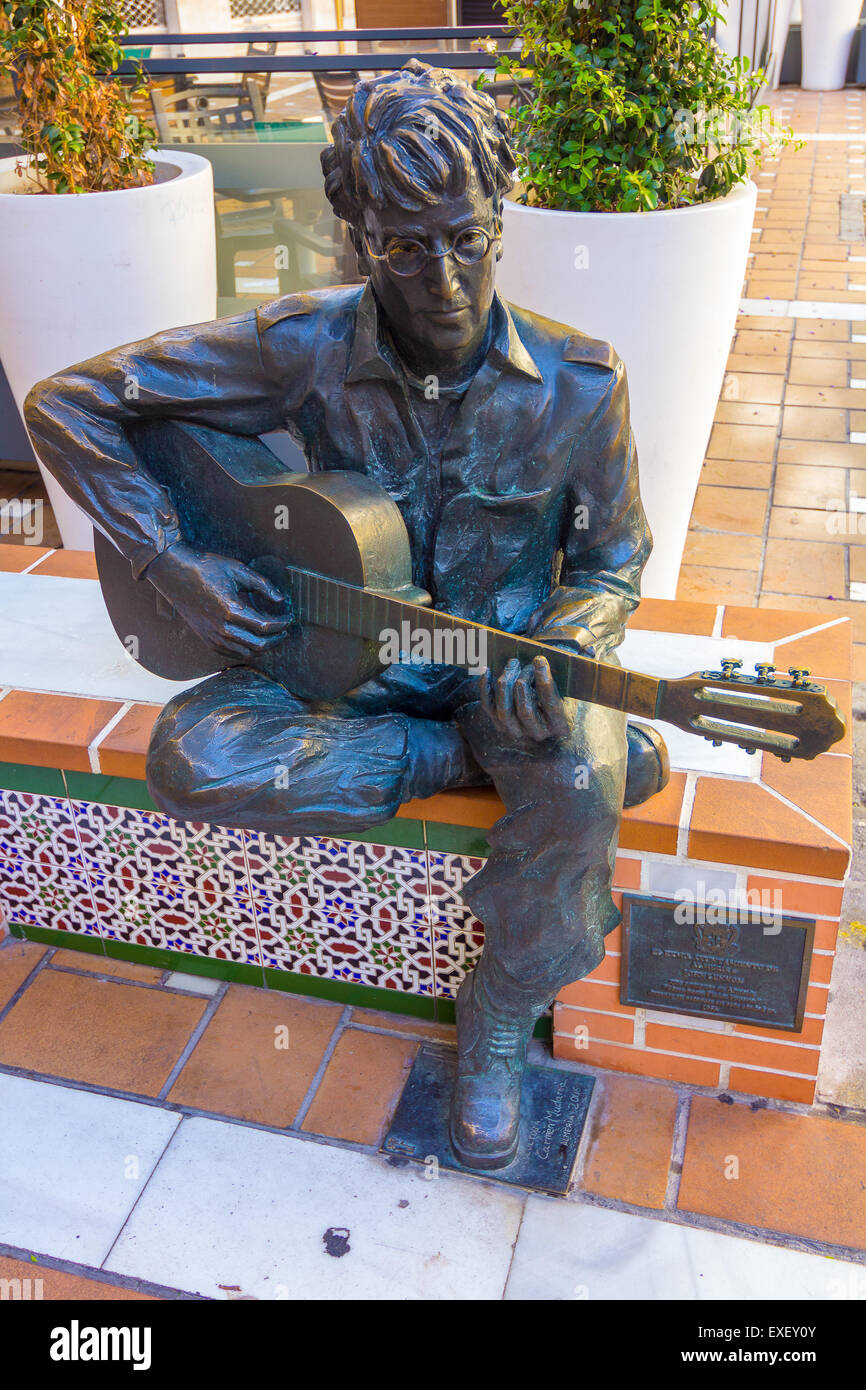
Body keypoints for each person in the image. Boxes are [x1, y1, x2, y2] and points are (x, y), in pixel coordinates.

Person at [24, 59, 667, 1170]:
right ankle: (454, 755)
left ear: (500, 218)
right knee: (193, 753)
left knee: (573, 777)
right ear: (360, 235)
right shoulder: (301, 345)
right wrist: (170, 560)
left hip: (501, 667)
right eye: (404, 247)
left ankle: (500, 1012)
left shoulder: (581, 384)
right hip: (345, 666)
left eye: (464, 238)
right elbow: (70, 401)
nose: (443, 279)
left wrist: (574, 638)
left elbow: (611, 557)